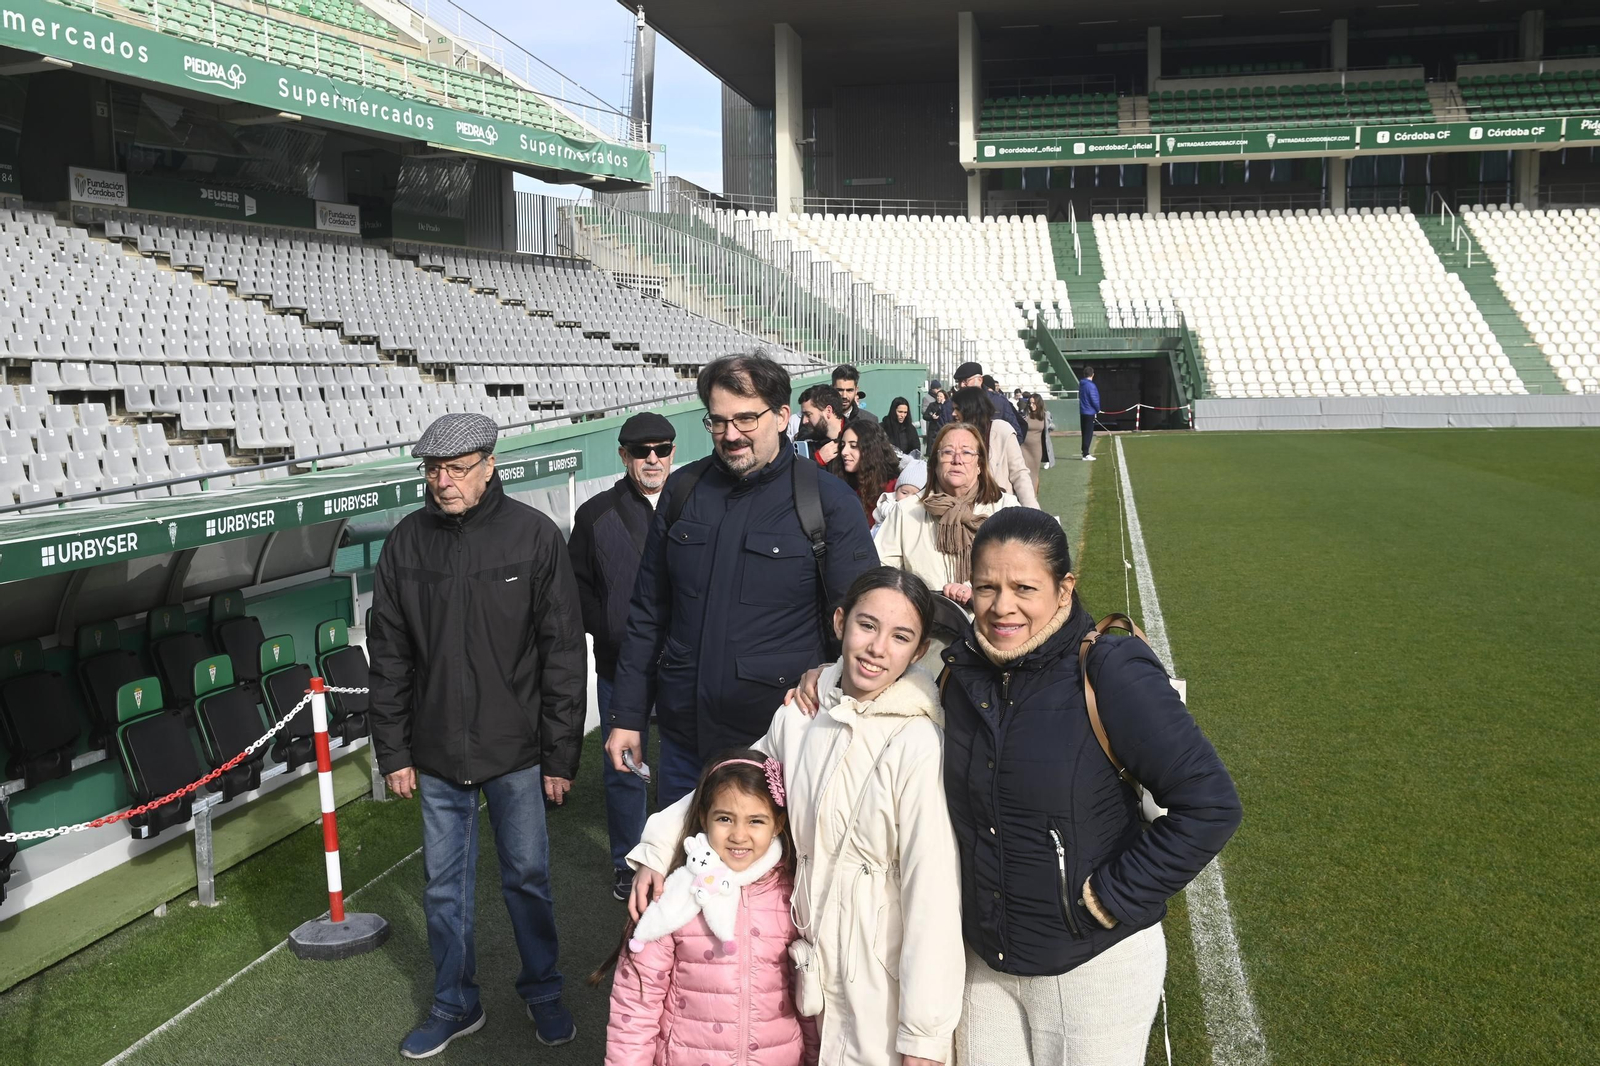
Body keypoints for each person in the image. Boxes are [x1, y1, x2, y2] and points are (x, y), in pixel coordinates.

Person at [786, 509, 1243, 1066]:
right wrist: (826, 677)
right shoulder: (957, 673)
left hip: (1091, 965)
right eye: (987, 587)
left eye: (1024, 588)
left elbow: (1210, 804)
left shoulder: (1109, 667)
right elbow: (883, 685)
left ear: (1063, 588)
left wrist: (1110, 899)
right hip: (986, 968)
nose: (1003, 606)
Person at [628, 567, 964, 1066]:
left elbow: (931, 891)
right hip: (810, 963)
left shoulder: (918, 742)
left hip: (882, 979)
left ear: (919, 652)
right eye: (867, 625)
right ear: (840, 622)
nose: (877, 648)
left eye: (900, 637)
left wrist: (924, 1036)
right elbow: (730, 786)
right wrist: (658, 847)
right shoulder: (799, 717)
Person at [368, 412, 585, 1058]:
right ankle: (454, 1003)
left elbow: (563, 654)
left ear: (490, 466)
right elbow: (390, 657)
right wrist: (393, 751)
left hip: (518, 752)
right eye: (434, 469)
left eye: (457, 469)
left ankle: (543, 991)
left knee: (528, 878)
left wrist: (560, 755)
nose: (444, 481)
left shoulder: (535, 536)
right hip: (436, 754)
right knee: (443, 889)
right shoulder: (405, 544)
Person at [605, 353, 878, 806]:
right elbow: (649, 612)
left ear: (783, 417)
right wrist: (628, 713)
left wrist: (833, 685)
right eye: (718, 421)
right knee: (680, 853)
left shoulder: (829, 501)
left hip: (779, 744)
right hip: (684, 744)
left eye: (746, 419)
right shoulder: (682, 491)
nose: (731, 434)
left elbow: (862, 621)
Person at [601, 753, 817, 1066]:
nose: (739, 835)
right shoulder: (675, 894)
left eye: (756, 820)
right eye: (725, 818)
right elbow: (637, 1003)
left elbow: (808, 993)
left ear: (778, 823)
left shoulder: (794, 892)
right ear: (704, 817)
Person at [568, 411, 676, 903]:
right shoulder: (594, 514)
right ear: (623, 456)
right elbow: (578, 589)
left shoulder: (694, 501)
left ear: (672, 453)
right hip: (620, 665)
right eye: (641, 451)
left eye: (661, 450)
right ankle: (628, 864)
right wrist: (613, 630)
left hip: (683, 663)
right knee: (625, 769)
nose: (652, 459)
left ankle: (679, 858)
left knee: (682, 763)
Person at [875, 423, 1017, 613]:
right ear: (935, 464)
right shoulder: (905, 512)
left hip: (993, 618)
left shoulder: (1006, 509)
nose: (957, 460)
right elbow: (881, 572)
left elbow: (1022, 569)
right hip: (928, 622)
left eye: (966, 453)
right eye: (948, 452)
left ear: (980, 465)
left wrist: (977, 589)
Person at [950, 387, 1039, 509]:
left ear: (970, 409)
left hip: (998, 510)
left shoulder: (1001, 430)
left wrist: (1032, 510)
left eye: (957, 409)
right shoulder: (954, 436)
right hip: (965, 509)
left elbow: (1019, 473)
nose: (953, 414)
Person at [838, 418, 900, 529]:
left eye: (853, 446)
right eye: (843, 445)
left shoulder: (893, 489)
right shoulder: (845, 483)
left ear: (871, 450)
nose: (844, 452)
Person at [942, 361, 1024, 443]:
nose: (962, 385)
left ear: (980, 380)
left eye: (965, 381)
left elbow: (1016, 435)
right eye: (959, 382)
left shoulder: (999, 402)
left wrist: (997, 448)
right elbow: (940, 437)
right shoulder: (949, 405)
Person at [798, 383, 848, 471]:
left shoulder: (859, 436)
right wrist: (817, 460)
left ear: (828, 411)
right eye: (803, 415)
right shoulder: (805, 443)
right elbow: (799, 474)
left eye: (808, 414)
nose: (804, 421)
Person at [872, 457, 925, 531]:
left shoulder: (920, 509)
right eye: (904, 493)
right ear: (896, 490)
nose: (908, 497)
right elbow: (886, 512)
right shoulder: (889, 501)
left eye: (915, 495)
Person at [1020, 393, 1051, 496]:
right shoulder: (1025, 415)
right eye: (1030, 403)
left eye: (1034, 403)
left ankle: (1034, 497)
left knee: (1034, 474)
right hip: (1023, 448)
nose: (1031, 405)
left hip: (1036, 449)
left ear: (1039, 403)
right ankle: (1024, 496)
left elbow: (1050, 426)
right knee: (1024, 473)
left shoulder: (1045, 415)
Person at [1079, 367, 1101, 461]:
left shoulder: (1082, 384)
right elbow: (1094, 399)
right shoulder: (1091, 386)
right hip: (1089, 412)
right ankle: (1086, 453)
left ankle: (1084, 453)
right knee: (1088, 433)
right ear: (1092, 374)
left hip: (1083, 411)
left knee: (1084, 433)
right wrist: (1098, 409)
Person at [922, 386, 947, 453]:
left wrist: (943, 405)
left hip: (942, 428)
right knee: (931, 448)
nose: (938, 398)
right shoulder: (932, 405)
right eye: (938, 396)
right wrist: (931, 417)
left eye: (941, 396)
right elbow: (925, 416)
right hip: (933, 429)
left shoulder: (946, 406)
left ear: (944, 397)